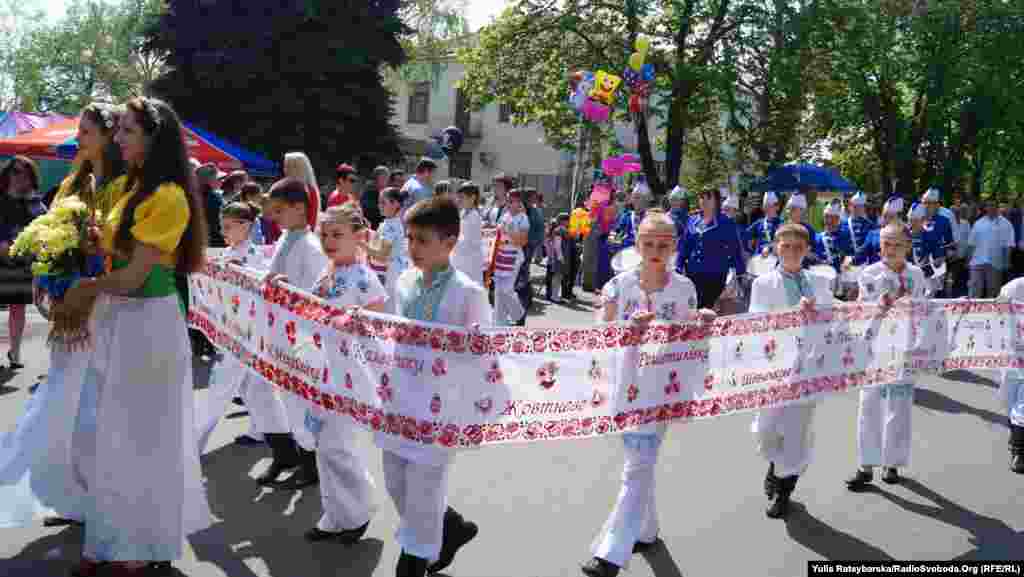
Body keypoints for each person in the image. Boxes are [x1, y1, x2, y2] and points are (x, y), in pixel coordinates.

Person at [58, 96, 212, 575]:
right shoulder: (133, 188)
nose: (118, 138)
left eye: (126, 130)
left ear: (153, 138)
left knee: (141, 438)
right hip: (119, 318)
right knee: (103, 434)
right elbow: (113, 251)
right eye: (119, 129)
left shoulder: (168, 196)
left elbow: (131, 276)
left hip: (148, 323)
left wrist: (82, 291)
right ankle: (109, 538)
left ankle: (138, 546)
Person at [582, 211, 714, 577]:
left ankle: (611, 553)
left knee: (637, 465)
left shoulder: (684, 288)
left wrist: (701, 324)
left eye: (663, 244)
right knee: (639, 462)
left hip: (663, 388)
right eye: (648, 243)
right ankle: (647, 529)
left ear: (674, 247)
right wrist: (628, 328)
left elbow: (689, 337)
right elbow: (599, 332)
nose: (655, 250)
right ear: (637, 244)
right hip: (624, 384)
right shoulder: (618, 286)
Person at [378, 196, 491, 577]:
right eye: (410, 239)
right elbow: (395, 334)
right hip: (399, 401)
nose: (412, 248)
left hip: (441, 409)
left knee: (424, 488)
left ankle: (414, 560)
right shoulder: (404, 281)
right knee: (395, 482)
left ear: (450, 242)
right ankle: (451, 526)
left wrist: (475, 342)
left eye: (422, 240)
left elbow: (483, 355)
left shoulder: (469, 293)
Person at [306, 204, 387, 544]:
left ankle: (356, 513)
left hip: (350, 377)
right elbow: (303, 306)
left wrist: (358, 320)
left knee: (337, 446)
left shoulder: (365, 278)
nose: (328, 240)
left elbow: (378, 321)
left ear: (359, 237)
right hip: (323, 372)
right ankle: (337, 513)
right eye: (324, 234)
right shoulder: (326, 274)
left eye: (337, 234)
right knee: (324, 446)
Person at [750, 224, 833, 519]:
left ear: (807, 250)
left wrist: (818, 314)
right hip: (774, 369)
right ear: (775, 247)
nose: (792, 252)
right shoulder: (763, 283)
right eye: (786, 246)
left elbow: (834, 323)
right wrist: (790, 315)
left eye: (799, 247)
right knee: (766, 430)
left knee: (796, 432)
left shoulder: (820, 284)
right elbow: (756, 323)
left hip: (809, 369)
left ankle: (785, 490)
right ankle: (775, 465)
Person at [258, 177, 329, 489]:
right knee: (279, 398)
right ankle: (293, 455)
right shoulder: (288, 237)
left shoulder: (310, 247)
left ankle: (311, 464)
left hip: (299, 339)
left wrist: (287, 287)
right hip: (280, 332)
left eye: (279, 210)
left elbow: (315, 296)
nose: (274, 217)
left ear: (299, 208)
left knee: (300, 403)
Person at [846, 223, 926, 491]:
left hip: (905, 349)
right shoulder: (870, 273)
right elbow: (860, 312)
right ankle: (865, 465)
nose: (890, 250)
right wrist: (877, 309)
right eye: (885, 244)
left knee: (899, 407)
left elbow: (926, 310)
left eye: (896, 244)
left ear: (908, 246)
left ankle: (892, 462)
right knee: (869, 406)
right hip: (876, 349)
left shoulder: (917, 275)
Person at [194, 201, 268, 452]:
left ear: (245, 226)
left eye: (228, 227)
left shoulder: (251, 257)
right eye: (221, 226)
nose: (223, 232)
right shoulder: (233, 252)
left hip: (241, 333)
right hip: (236, 330)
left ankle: (193, 445)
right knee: (252, 386)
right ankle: (264, 430)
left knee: (219, 389)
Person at [0, 157, 45, 370]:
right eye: (16, 172)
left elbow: (45, 230)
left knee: (17, 308)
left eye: (25, 173)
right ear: (7, 174)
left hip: (18, 263)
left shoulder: (37, 204)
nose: (20, 177)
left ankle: (15, 352)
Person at [681, 188, 746, 309]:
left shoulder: (726, 222)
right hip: (692, 273)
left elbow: (734, 248)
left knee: (709, 310)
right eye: (701, 198)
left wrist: (739, 272)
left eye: (708, 198)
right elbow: (685, 245)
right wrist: (678, 265)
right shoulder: (692, 220)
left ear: (716, 201)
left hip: (715, 274)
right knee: (693, 308)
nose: (704, 201)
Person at [364, 187, 411, 311]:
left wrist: (361, 245)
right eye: (379, 202)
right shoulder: (389, 223)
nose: (379, 206)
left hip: (389, 273)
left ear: (395, 204)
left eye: (383, 202)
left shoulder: (391, 226)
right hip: (390, 271)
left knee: (387, 310)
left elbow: (381, 255)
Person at [492, 188, 530, 325]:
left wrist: (508, 232)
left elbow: (523, 241)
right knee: (498, 290)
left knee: (506, 289)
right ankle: (499, 322)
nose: (508, 203)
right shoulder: (505, 215)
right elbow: (498, 232)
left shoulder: (523, 217)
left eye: (511, 201)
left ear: (518, 202)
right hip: (501, 254)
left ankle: (518, 313)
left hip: (513, 255)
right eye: (507, 200)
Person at [998, 277, 1024, 473]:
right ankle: (1015, 433)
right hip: (1011, 354)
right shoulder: (1014, 287)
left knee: (1022, 407)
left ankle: (1019, 452)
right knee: (1008, 401)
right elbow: (994, 312)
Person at [967, 200, 1013, 299]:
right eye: (988, 206)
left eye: (993, 205)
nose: (990, 208)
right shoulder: (978, 223)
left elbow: (1008, 245)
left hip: (995, 263)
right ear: (985, 208)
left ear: (997, 208)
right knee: (974, 292)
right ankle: (972, 313)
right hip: (976, 262)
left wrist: (1007, 261)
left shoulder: (1006, 224)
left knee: (992, 294)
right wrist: (968, 260)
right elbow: (971, 244)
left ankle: (992, 313)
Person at [908, 203, 944, 296]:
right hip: (908, 277)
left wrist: (938, 260)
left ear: (923, 220)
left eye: (915, 220)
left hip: (926, 276)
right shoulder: (903, 235)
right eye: (910, 220)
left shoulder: (931, 235)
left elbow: (938, 259)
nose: (912, 223)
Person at [452, 181, 484, 285]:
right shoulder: (463, 213)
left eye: (462, 197)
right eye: (458, 197)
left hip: (470, 261)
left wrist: (452, 241)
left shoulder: (474, 216)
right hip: (460, 258)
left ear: (472, 198)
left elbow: (471, 242)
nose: (459, 200)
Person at [283, 151, 321, 229]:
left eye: (288, 166)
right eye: (285, 166)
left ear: (299, 168)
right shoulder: (284, 188)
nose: (285, 170)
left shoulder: (310, 191)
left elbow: (311, 221)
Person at [196, 163, 226, 249]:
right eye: (217, 178)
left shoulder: (189, 196)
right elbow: (220, 224)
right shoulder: (215, 199)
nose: (221, 181)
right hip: (215, 245)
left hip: (196, 244)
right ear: (209, 180)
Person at [816, 202, 852, 273]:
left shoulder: (847, 236)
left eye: (833, 217)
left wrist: (848, 260)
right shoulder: (817, 237)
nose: (829, 220)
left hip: (842, 277)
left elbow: (851, 255)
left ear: (839, 219)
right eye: (826, 216)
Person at [613, 180, 650, 250]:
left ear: (645, 200)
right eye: (635, 197)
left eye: (639, 198)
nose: (637, 201)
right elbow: (615, 239)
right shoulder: (626, 217)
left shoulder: (651, 218)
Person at [841, 191, 875, 266]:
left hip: (864, 264)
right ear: (850, 206)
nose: (858, 209)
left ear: (864, 208)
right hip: (847, 263)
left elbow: (870, 245)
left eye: (860, 206)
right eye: (855, 206)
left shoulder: (870, 225)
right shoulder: (843, 224)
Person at [747, 191, 782, 256]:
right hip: (758, 259)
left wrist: (769, 247)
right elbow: (745, 235)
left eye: (771, 205)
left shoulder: (782, 224)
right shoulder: (759, 223)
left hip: (774, 260)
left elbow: (783, 242)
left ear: (777, 207)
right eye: (766, 206)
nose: (768, 208)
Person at [544, 216, 567, 303]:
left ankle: (550, 295)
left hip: (552, 259)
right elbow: (556, 248)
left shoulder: (549, 236)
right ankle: (552, 295)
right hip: (554, 259)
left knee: (550, 278)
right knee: (554, 278)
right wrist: (559, 258)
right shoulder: (554, 235)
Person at [361, 165, 388, 229]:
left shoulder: (379, 189)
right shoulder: (370, 190)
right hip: (372, 226)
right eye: (384, 177)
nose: (386, 180)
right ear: (377, 177)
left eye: (387, 177)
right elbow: (370, 210)